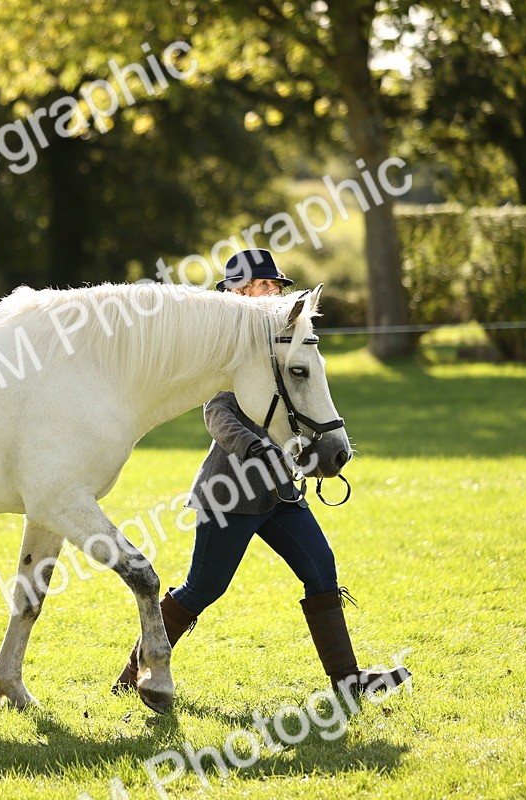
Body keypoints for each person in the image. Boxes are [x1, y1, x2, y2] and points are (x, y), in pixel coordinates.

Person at [114, 249, 410, 698]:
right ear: (237, 292)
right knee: (203, 588)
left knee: (321, 568)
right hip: (228, 495)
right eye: (264, 285)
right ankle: (136, 671)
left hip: (280, 495)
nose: (274, 291)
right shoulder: (228, 348)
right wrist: (255, 448)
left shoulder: (280, 342)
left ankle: (347, 682)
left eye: (276, 286)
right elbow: (217, 415)